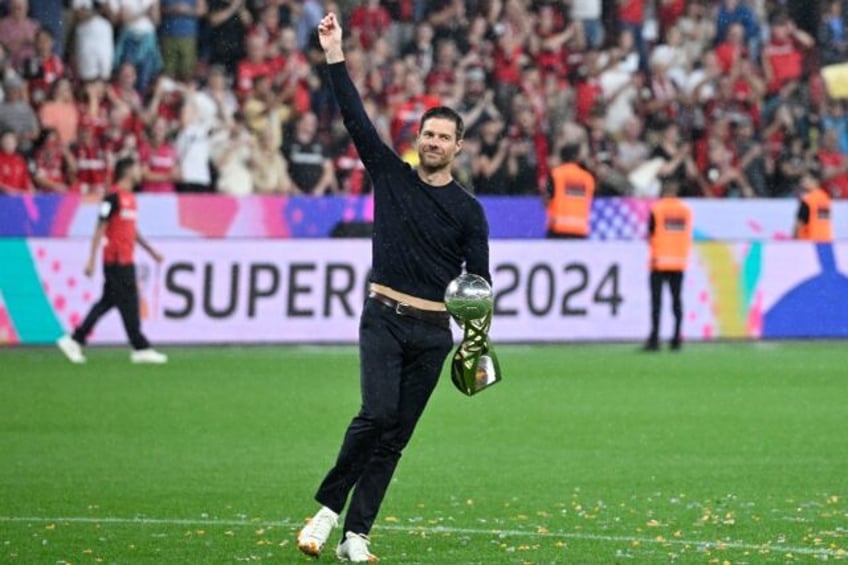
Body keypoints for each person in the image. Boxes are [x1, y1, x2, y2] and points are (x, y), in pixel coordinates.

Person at [296, 12, 491, 563]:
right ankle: (328, 510)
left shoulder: (469, 212)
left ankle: (357, 535)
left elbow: (478, 285)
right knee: (377, 415)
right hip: (383, 315)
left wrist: (476, 344)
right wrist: (334, 53)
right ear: (419, 139)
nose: (432, 142)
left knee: (395, 440)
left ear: (457, 147)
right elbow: (355, 117)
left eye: (443, 137)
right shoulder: (389, 173)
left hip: (433, 332)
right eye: (427, 133)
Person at [57, 157, 168, 365]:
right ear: (127, 171)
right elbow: (100, 228)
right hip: (116, 260)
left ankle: (76, 339)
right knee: (127, 301)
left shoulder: (131, 198)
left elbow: (131, 230)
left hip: (126, 258)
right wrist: (91, 260)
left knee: (110, 301)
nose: (140, 171)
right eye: (137, 167)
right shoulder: (112, 198)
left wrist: (151, 251)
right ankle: (139, 346)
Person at [645, 177, 693, 351]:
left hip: (659, 261)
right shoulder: (685, 211)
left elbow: (650, 234)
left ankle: (654, 338)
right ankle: (676, 338)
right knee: (677, 301)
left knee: (657, 303)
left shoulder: (657, 209)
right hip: (678, 261)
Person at [545, 143, 595, 239]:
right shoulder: (587, 177)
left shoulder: (556, 174)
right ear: (576, 157)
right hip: (580, 230)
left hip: (558, 229)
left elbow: (547, 198)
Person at [793, 170, 833, 242]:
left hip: (809, 242)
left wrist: (793, 239)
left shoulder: (808, 199)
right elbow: (822, 220)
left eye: (805, 179)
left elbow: (799, 223)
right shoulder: (825, 197)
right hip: (825, 239)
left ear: (815, 181)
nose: (802, 182)